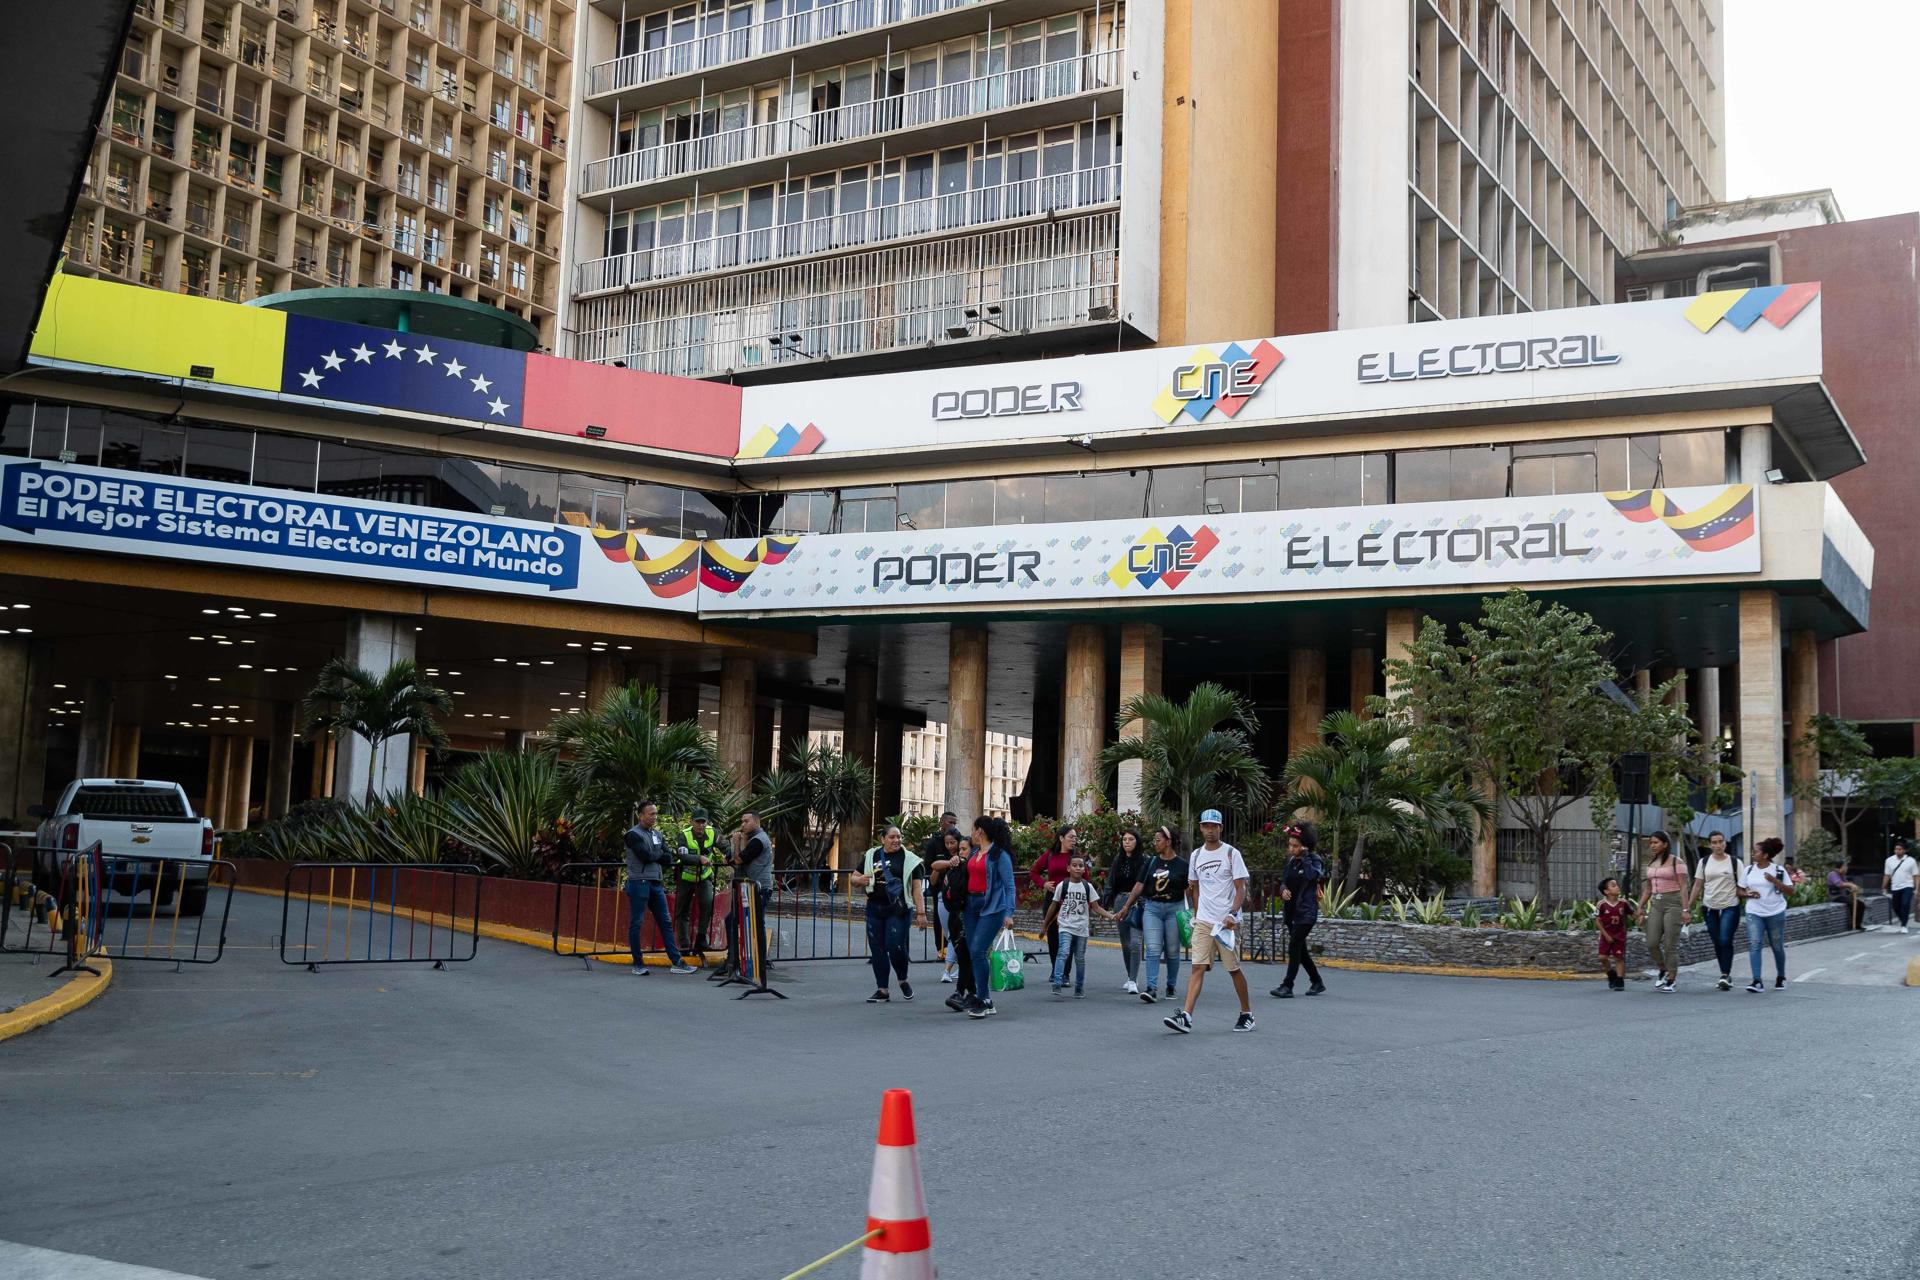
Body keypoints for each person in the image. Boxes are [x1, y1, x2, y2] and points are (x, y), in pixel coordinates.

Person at [1163, 810, 1255, 1034]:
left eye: (1214, 826)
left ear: (1220, 828)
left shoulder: (1231, 854)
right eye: (1206, 826)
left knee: (1233, 969)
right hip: (1204, 921)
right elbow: (1194, 887)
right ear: (1201, 828)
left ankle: (1247, 1014)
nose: (1210, 830)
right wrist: (1196, 913)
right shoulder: (1196, 855)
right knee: (1197, 967)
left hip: (1225, 923)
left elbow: (1240, 887)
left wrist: (1233, 913)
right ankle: (1186, 1016)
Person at [851, 825, 929, 1004]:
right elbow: (854, 877)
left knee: (895, 946)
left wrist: (921, 913)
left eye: (899, 837)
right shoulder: (871, 855)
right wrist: (859, 880)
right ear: (883, 839)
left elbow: (917, 888)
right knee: (877, 949)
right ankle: (882, 990)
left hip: (898, 909)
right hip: (875, 907)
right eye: (892, 837)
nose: (896, 840)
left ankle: (902, 978)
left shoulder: (910, 859)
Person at [1111, 825, 1188, 1003]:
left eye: (1158, 840)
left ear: (1168, 842)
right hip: (1153, 908)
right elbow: (1139, 885)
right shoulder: (1151, 862)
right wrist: (1126, 906)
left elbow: (1190, 890)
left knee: (1172, 950)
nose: (1155, 843)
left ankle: (1170, 985)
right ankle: (1151, 988)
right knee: (1152, 949)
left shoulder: (1183, 865)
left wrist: (1193, 912)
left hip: (1174, 909)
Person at [623, 801, 699, 975]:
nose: (654, 817)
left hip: (656, 883)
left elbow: (668, 857)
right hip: (639, 882)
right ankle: (638, 963)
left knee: (665, 922)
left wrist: (656, 856)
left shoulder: (657, 834)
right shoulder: (632, 835)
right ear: (640, 815)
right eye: (651, 814)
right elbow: (645, 856)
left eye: (656, 813)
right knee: (637, 922)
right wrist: (658, 856)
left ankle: (677, 961)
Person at [962, 815, 1017, 1019]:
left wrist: (1009, 913)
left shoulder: (999, 855)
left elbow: (1010, 886)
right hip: (970, 906)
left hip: (992, 907)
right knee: (975, 952)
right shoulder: (975, 852)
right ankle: (982, 997)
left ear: (980, 831)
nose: (971, 833)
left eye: (973, 829)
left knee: (978, 950)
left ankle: (985, 1000)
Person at [1042, 853, 1117, 997]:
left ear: (1084, 869)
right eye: (1074, 865)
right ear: (1068, 868)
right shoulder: (1062, 886)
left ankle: (1079, 987)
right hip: (1065, 926)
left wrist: (1111, 915)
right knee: (1063, 952)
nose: (1077, 868)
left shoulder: (1087, 887)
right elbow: (1053, 905)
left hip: (1082, 928)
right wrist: (1045, 924)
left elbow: (1095, 907)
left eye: (1081, 866)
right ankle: (1057, 982)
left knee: (1080, 958)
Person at [1269, 820, 1327, 999]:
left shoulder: (1314, 860)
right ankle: (1317, 981)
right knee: (1300, 949)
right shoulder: (1292, 861)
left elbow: (1313, 876)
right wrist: (1283, 890)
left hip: (1306, 912)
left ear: (1304, 846)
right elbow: (1285, 881)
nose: (1291, 849)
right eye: (1290, 845)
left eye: (1295, 846)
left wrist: (1306, 857)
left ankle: (1287, 985)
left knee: (1294, 945)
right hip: (1291, 911)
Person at [1685, 831, 1744, 991]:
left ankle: (1725, 975)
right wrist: (1688, 907)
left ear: (1725, 843)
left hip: (1729, 906)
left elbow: (1743, 885)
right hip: (1709, 907)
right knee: (1717, 941)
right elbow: (1698, 885)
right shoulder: (1704, 862)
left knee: (1725, 939)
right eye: (1714, 842)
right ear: (1710, 845)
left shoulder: (1734, 862)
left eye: (1720, 841)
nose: (1718, 845)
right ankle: (1724, 974)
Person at [720, 810, 775, 981]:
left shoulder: (758, 841)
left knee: (751, 922)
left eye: (746, 821)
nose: (742, 824)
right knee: (738, 920)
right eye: (742, 821)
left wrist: (736, 843)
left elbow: (737, 860)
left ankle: (742, 959)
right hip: (749, 888)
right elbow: (732, 859)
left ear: (756, 822)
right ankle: (740, 958)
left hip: (757, 888)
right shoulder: (752, 839)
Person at [1635, 831, 1689, 992]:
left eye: (1656, 842)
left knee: (1669, 944)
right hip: (1656, 903)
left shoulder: (1676, 862)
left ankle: (1671, 979)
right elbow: (1648, 888)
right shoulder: (1651, 863)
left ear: (1665, 844)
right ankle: (1663, 968)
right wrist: (1640, 906)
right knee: (1651, 942)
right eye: (1651, 843)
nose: (1652, 845)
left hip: (1673, 903)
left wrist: (1685, 910)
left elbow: (1684, 887)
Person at [930, 829, 976, 1011]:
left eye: (964, 849)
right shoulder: (955, 867)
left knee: (966, 956)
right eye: (960, 850)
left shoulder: (972, 869)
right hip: (954, 915)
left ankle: (961, 992)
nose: (960, 853)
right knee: (963, 955)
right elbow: (935, 870)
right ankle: (972, 993)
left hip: (965, 915)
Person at [671, 807, 725, 962]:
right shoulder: (684, 835)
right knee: (682, 910)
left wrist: (731, 855)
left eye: (703, 821)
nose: (701, 825)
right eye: (698, 821)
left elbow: (724, 845)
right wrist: (699, 859)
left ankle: (701, 939)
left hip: (704, 876)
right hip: (686, 876)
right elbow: (682, 854)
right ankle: (685, 944)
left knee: (707, 903)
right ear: (691, 822)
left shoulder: (713, 832)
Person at [1740, 836, 1792, 991]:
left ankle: (1781, 977)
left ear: (1765, 855)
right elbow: (1739, 890)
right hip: (1754, 912)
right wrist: (1748, 894)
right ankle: (1757, 981)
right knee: (1755, 944)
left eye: (1755, 852)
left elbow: (1791, 891)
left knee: (1777, 945)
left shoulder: (1778, 870)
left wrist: (1775, 881)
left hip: (1775, 912)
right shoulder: (1749, 870)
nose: (1752, 854)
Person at [1029, 826, 1077, 987]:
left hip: (1070, 900)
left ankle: (1065, 973)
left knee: (1067, 936)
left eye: (1075, 837)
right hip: (1052, 900)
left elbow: (1086, 877)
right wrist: (1044, 884)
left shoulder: (1076, 857)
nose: (1073, 840)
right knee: (1053, 936)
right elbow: (1034, 872)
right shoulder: (1050, 856)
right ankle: (1055, 969)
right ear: (1061, 838)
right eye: (1070, 837)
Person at [924, 811, 959, 979]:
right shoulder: (933, 844)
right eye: (950, 822)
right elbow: (931, 869)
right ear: (942, 822)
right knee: (941, 923)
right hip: (940, 891)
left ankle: (955, 961)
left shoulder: (962, 847)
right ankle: (942, 950)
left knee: (957, 928)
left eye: (953, 843)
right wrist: (944, 866)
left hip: (958, 894)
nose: (952, 825)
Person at [1595, 877, 1636, 990]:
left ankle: (1619, 980)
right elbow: (1598, 921)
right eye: (1613, 886)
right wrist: (1606, 935)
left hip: (1620, 935)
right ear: (1606, 891)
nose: (1617, 887)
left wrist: (1640, 917)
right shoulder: (1601, 904)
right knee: (1602, 957)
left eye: (1617, 885)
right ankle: (1610, 973)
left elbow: (1632, 914)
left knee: (1619, 957)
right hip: (1606, 935)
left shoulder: (1623, 903)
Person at [1828, 858, 1870, 931]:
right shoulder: (1832, 874)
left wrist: (1852, 889)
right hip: (1836, 897)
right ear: (1842, 867)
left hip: (1844, 896)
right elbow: (1839, 884)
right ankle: (1852, 924)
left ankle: (1857, 925)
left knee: (1861, 904)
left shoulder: (1842, 875)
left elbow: (1846, 887)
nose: (1847, 868)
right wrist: (1851, 885)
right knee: (1853, 903)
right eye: (1845, 866)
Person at [1885, 837, 1916, 935]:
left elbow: (1916, 875)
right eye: (1896, 849)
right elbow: (1887, 875)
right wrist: (1883, 886)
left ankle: (1904, 925)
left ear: (1904, 850)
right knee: (1895, 906)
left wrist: (1917, 888)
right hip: (1895, 887)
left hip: (1908, 886)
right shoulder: (1889, 860)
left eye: (1899, 849)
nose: (1897, 851)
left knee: (1905, 904)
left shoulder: (1911, 861)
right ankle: (1903, 920)